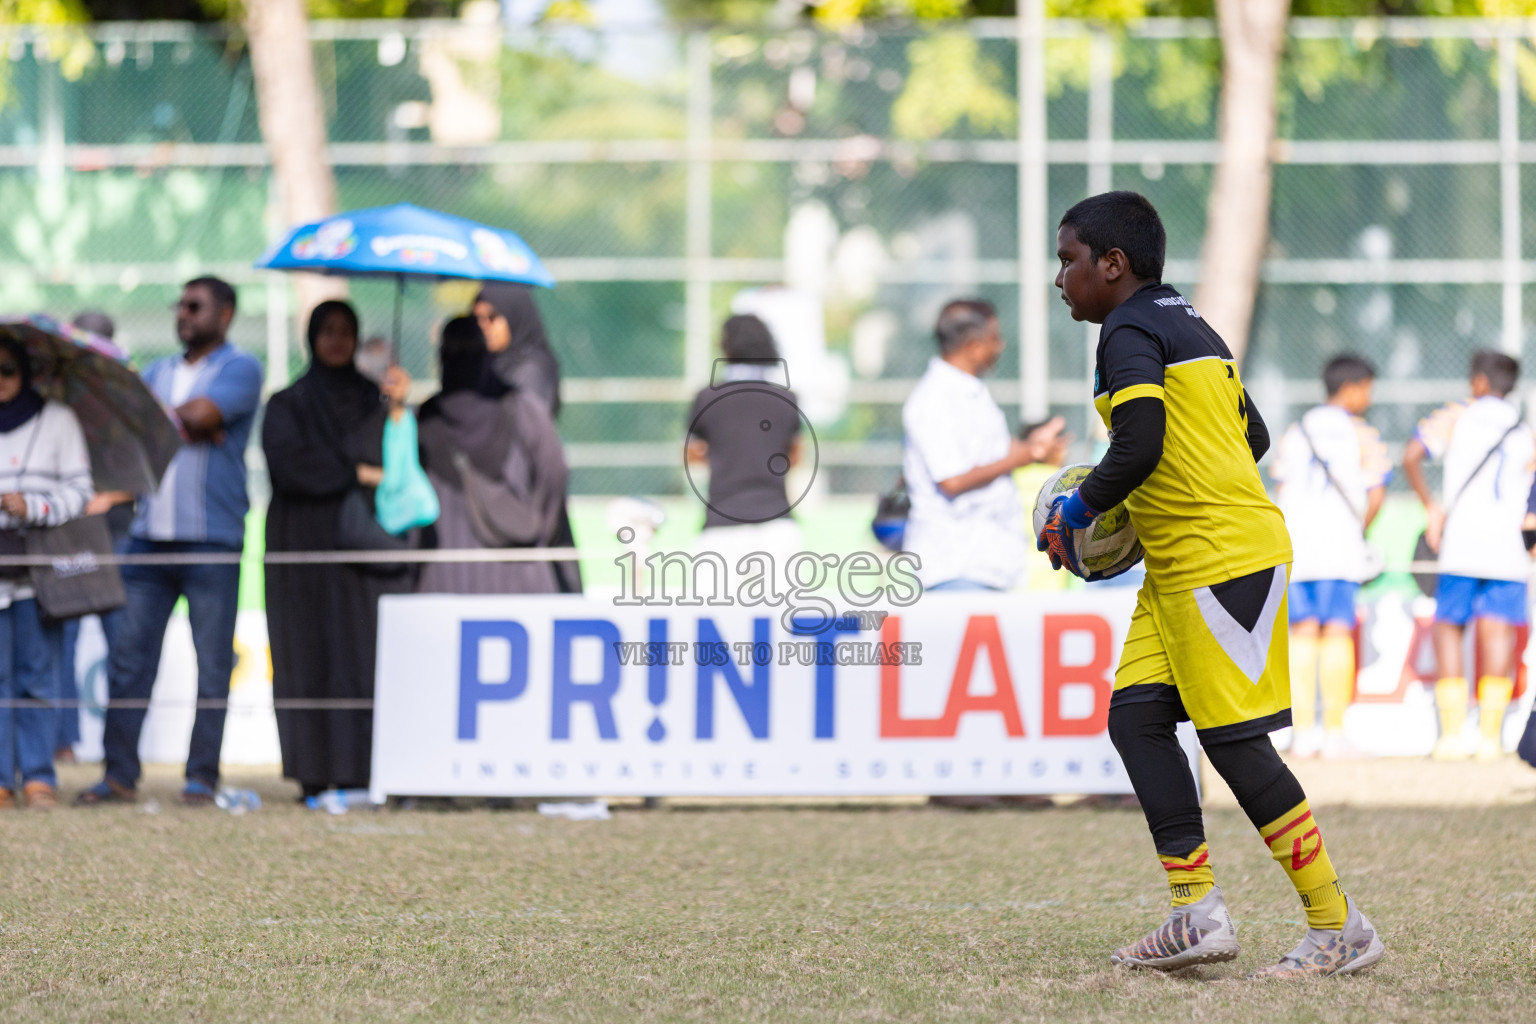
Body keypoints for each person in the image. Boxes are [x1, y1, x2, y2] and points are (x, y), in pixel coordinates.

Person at [1040, 191, 1383, 977]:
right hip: (1181, 563)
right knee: (1136, 720)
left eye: (1068, 260)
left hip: (1219, 560)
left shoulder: (1127, 326)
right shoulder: (1189, 322)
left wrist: (1077, 510)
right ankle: (1196, 915)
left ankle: (1340, 927)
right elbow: (1249, 434)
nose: (1061, 278)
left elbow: (1141, 441)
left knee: (1236, 745)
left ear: (1112, 264)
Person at [77, 277, 264, 807]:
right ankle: (118, 776)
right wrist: (185, 424)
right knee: (129, 662)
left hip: (213, 542)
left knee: (211, 666)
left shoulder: (241, 368)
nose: (182, 313)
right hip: (148, 540)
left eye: (194, 305)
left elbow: (198, 415)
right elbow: (138, 427)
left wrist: (169, 422)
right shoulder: (158, 370)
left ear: (224, 313)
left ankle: (201, 778)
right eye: (179, 305)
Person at [262, 301, 413, 800]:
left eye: (345, 330)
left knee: (358, 654)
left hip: (358, 551)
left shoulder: (374, 400)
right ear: (311, 336)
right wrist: (352, 473)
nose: (336, 340)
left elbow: (392, 465)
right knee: (306, 654)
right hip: (301, 548)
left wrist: (394, 409)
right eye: (326, 330)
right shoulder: (288, 404)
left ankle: (360, 771)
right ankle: (313, 773)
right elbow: (291, 468)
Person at [1403, 350, 1536, 762]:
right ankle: (1490, 738)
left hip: (1460, 541)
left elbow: (1412, 454)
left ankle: (1451, 736)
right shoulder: (1523, 427)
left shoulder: (1457, 415)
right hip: (1508, 546)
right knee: (1497, 632)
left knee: (1450, 628)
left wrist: (1431, 506)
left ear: (1478, 381)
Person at [1270, 355, 1390, 760]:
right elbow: (1376, 491)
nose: (1369, 399)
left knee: (1301, 632)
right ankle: (1334, 732)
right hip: (1339, 547)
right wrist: (1360, 529)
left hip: (1298, 545)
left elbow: (1281, 482)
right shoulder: (1362, 433)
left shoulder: (1297, 430)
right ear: (1353, 387)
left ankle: (1302, 732)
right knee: (1337, 631)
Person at [901, 299, 1065, 592]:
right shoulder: (933, 399)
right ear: (974, 345)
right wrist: (1026, 455)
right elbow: (952, 479)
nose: (1000, 346)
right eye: (994, 338)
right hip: (956, 568)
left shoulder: (969, 391)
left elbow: (990, 454)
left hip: (989, 565)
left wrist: (1032, 448)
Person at [0, 335, 93, 808]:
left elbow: (81, 491)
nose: (0, 381)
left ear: (25, 371)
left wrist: (33, 505)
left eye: (7, 370)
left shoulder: (58, 420)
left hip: (40, 572)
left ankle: (38, 776)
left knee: (37, 675)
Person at [416, 317, 569, 596]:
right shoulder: (521, 407)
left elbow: (553, 475)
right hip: (507, 573)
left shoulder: (426, 416)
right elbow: (553, 478)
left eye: (470, 347)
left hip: (461, 577)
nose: (463, 357)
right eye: (455, 349)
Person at [472, 282, 581, 593]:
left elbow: (525, 436)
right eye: (476, 321)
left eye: (492, 318)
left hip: (527, 504)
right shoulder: (489, 367)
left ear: (514, 316)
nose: (484, 329)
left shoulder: (532, 369)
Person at [686, 314, 803, 567]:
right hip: (778, 527)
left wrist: (723, 459)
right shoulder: (787, 399)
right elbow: (796, 456)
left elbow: (691, 455)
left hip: (721, 528)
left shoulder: (706, 398)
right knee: (783, 607)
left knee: (714, 607)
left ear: (726, 345)